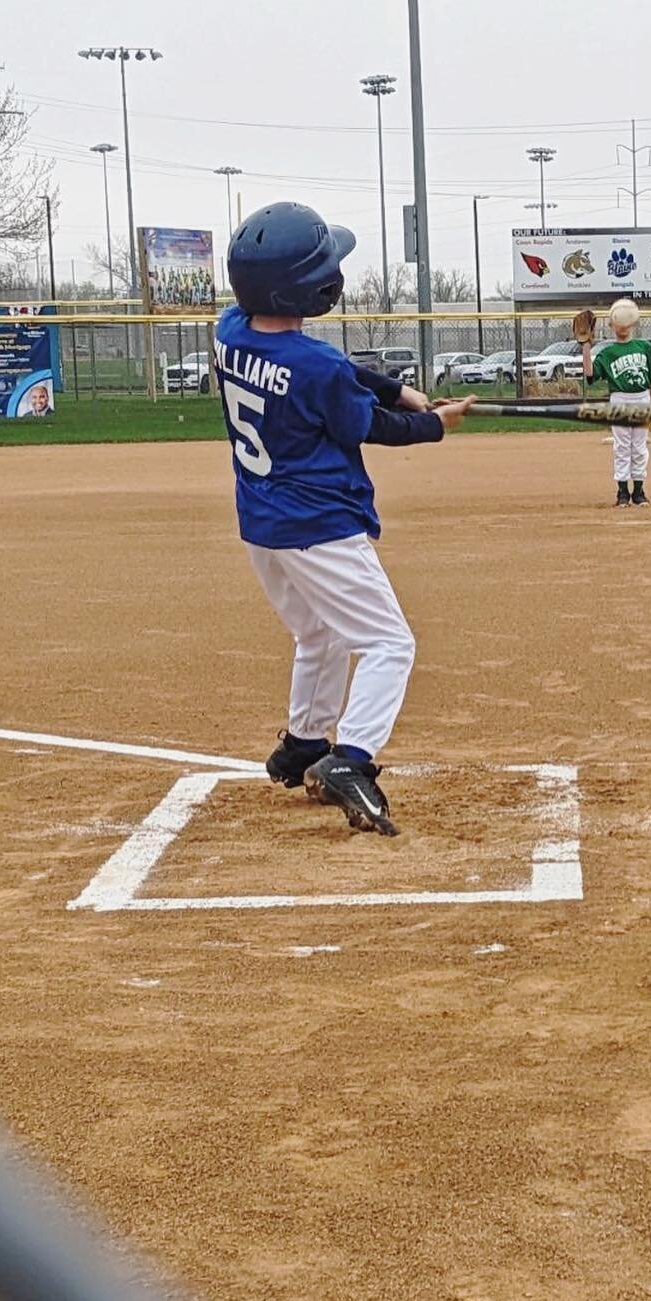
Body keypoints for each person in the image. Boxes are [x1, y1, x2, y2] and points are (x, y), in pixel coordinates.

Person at [217, 201, 474, 836]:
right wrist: (432, 424)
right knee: (389, 643)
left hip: (263, 525)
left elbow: (337, 374)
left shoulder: (229, 328)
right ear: (312, 288)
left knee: (319, 633)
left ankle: (305, 742)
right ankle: (351, 759)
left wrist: (395, 386)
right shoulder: (318, 368)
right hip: (321, 528)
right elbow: (373, 427)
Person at [580, 297, 651, 507]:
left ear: (632, 322)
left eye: (626, 322)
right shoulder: (608, 352)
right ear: (611, 325)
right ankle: (623, 492)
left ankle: (639, 491)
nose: (622, 327)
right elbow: (590, 376)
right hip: (619, 398)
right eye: (618, 322)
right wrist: (586, 346)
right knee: (622, 446)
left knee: (639, 446)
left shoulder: (644, 347)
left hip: (642, 397)